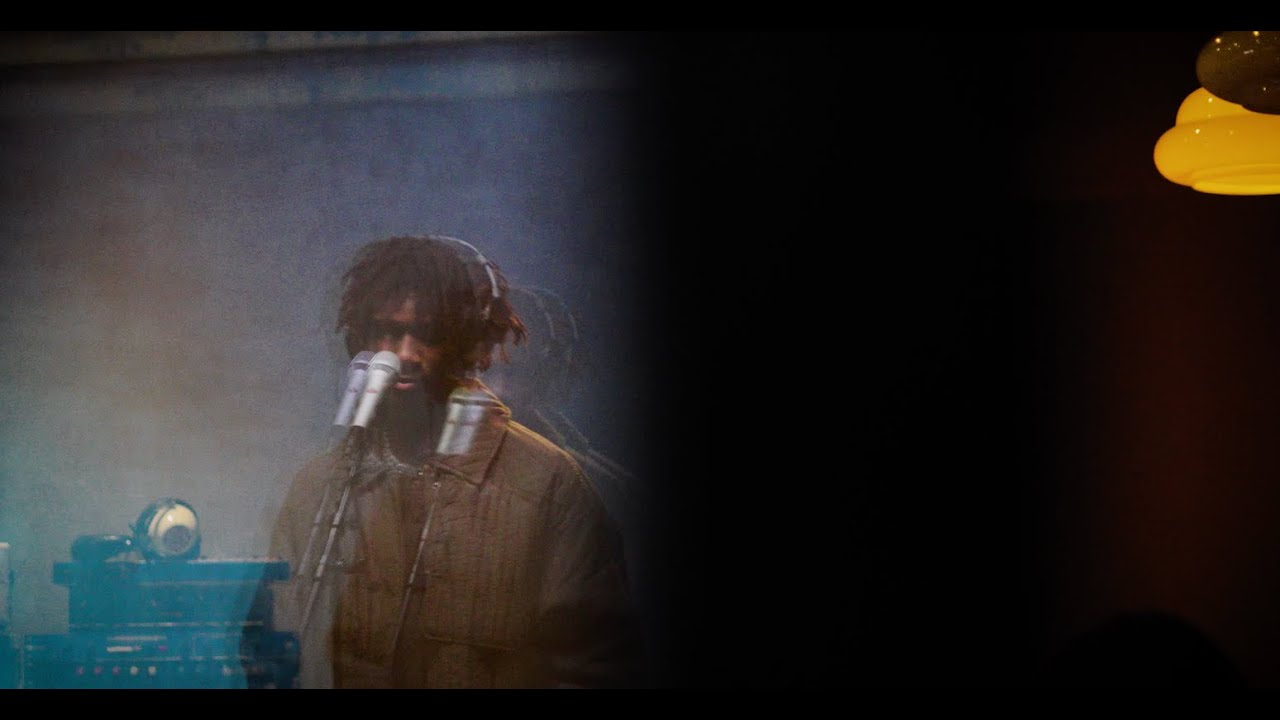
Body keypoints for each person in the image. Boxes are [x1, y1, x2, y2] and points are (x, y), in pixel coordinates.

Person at [267, 235, 638, 688]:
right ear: (361, 338)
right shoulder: (319, 486)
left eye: (427, 334)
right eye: (388, 331)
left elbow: (595, 667)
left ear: (465, 343)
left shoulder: (546, 484)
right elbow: (275, 648)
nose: (404, 354)